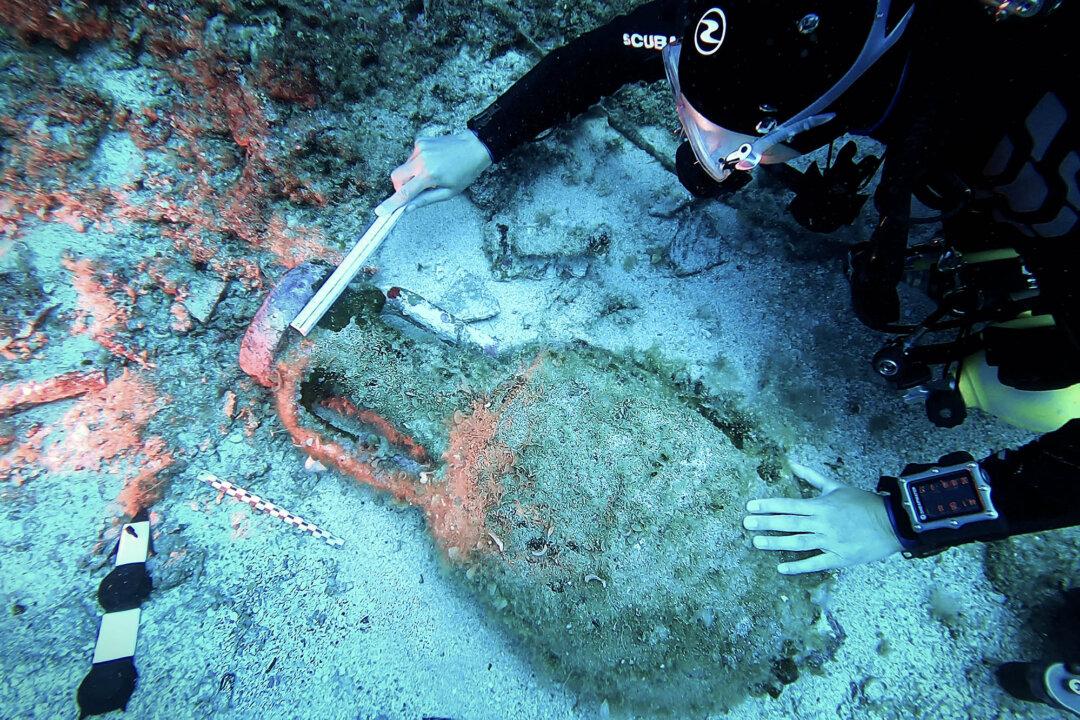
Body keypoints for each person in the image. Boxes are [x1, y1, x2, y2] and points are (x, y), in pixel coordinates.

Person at [377, 2, 1079, 707]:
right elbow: (619, 47)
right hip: (941, 137)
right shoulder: (764, 20)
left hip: (1022, 172)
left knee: (1042, 393)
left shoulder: (1036, 133)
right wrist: (484, 137)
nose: (724, 161)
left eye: (747, 149)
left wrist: (902, 515)